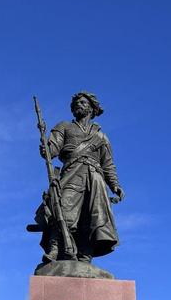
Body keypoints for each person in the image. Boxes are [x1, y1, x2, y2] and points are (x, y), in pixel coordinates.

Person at [29, 91, 125, 264]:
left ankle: (85, 256)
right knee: (63, 209)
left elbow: (108, 164)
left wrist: (115, 185)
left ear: (91, 108)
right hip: (72, 174)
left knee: (91, 218)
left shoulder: (101, 137)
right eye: (77, 103)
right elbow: (52, 150)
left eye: (83, 102)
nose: (79, 105)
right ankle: (55, 248)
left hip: (95, 179)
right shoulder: (64, 126)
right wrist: (46, 149)